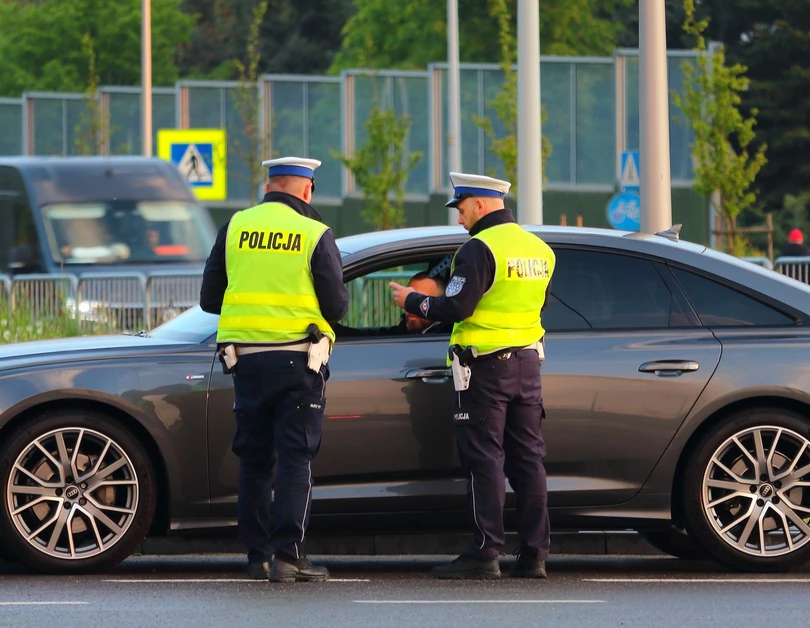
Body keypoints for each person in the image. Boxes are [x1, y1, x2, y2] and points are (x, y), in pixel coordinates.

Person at [389, 172, 556, 580]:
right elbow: (538, 305)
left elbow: (457, 306)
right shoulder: (540, 250)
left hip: (485, 369)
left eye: (462, 209)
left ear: (481, 204)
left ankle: (485, 553)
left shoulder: (479, 248)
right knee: (529, 460)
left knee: (485, 461)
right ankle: (535, 555)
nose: (460, 219)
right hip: (527, 366)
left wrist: (413, 300)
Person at [199, 156, 350, 583]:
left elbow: (211, 299)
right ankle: (289, 556)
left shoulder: (235, 228)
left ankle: (256, 556)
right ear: (307, 190)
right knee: (295, 458)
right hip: (299, 360)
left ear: (269, 186)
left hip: (245, 361)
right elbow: (337, 306)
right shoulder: (314, 232)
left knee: (254, 458)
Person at [337, 272, 450, 337]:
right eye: (408, 296)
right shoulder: (404, 332)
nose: (410, 304)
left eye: (419, 299)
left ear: (438, 303)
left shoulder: (445, 336)